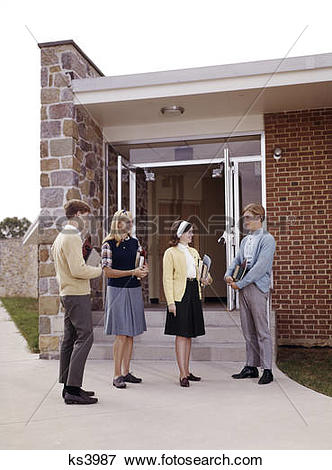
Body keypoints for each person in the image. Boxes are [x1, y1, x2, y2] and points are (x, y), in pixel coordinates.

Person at [51, 199, 102, 405]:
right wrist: (100, 270)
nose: (88, 220)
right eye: (87, 215)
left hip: (67, 292)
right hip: (76, 294)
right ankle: (72, 389)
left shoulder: (61, 236)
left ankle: (69, 386)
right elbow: (78, 270)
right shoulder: (72, 236)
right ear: (79, 214)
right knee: (85, 337)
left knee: (70, 339)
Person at [224, 203, 276, 385]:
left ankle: (267, 369)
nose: (245, 221)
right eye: (244, 217)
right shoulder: (245, 240)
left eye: (248, 217)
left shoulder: (267, 240)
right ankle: (251, 366)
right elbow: (238, 260)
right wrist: (228, 274)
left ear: (259, 218)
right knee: (248, 329)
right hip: (243, 288)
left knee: (262, 330)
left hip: (256, 287)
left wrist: (240, 283)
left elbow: (260, 268)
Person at [101, 210, 149, 389]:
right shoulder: (108, 244)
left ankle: (126, 372)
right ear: (118, 223)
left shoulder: (135, 242)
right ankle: (116, 374)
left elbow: (140, 265)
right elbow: (107, 272)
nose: (130, 224)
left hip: (134, 290)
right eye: (127, 221)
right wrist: (132, 272)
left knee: (130, 334)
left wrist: (144, 270)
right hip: (117, 290)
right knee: (121, 334)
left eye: (131, 221)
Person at [163, 220, 213, 387]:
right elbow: (167, 278)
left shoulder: (193, 252)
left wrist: (206, 279)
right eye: (189, 232)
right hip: (179, 295)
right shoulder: (170, 252)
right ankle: (182, 374)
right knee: (181, 334)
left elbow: (202, 274)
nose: (192, 235)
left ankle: (187, 370)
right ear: (180, 234)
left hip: (193, 292)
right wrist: (171, 302)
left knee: (189, 334)